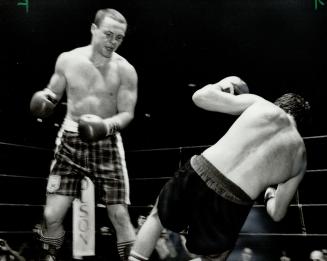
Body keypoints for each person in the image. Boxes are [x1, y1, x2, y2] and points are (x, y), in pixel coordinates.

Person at [128, 76, 310, 261]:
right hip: (234, 200)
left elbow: (200, 97)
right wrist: (270, 193)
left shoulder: (263, 106)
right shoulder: (300, 158)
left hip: (202, 170)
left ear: (278, 104)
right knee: (215, 256)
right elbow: (277, 214)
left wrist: (227, 83)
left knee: (157, 217)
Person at [30, 8, 138, 261]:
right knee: (51, 216)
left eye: (119, 38)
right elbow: (53, 92)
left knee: (119, 215)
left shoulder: (125, 70)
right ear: (94, 29)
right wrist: (45, 99)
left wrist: (105, 126)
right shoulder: (68, 59)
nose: (113, 42)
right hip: (69, 139)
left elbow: (127, 113)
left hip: (106, 142)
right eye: (108, 34)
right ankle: (49, 255)